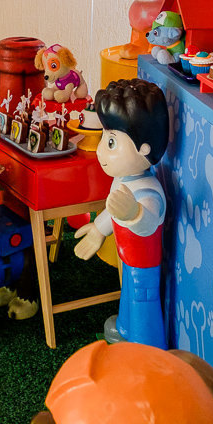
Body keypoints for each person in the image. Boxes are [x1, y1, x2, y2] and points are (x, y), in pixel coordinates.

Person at [75, 78, 170, 350]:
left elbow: (149, 221)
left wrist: (135, 213)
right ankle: (127, 328)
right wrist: (98, 229)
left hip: (145, 263)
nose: (102, 150)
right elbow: (112, 210)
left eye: (112, 141)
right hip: (128, 258)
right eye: (106, 138)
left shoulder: (148, 191)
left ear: (144, 150)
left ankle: (146, 350)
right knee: (128, 293)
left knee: (143, 302)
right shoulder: (125, 179)